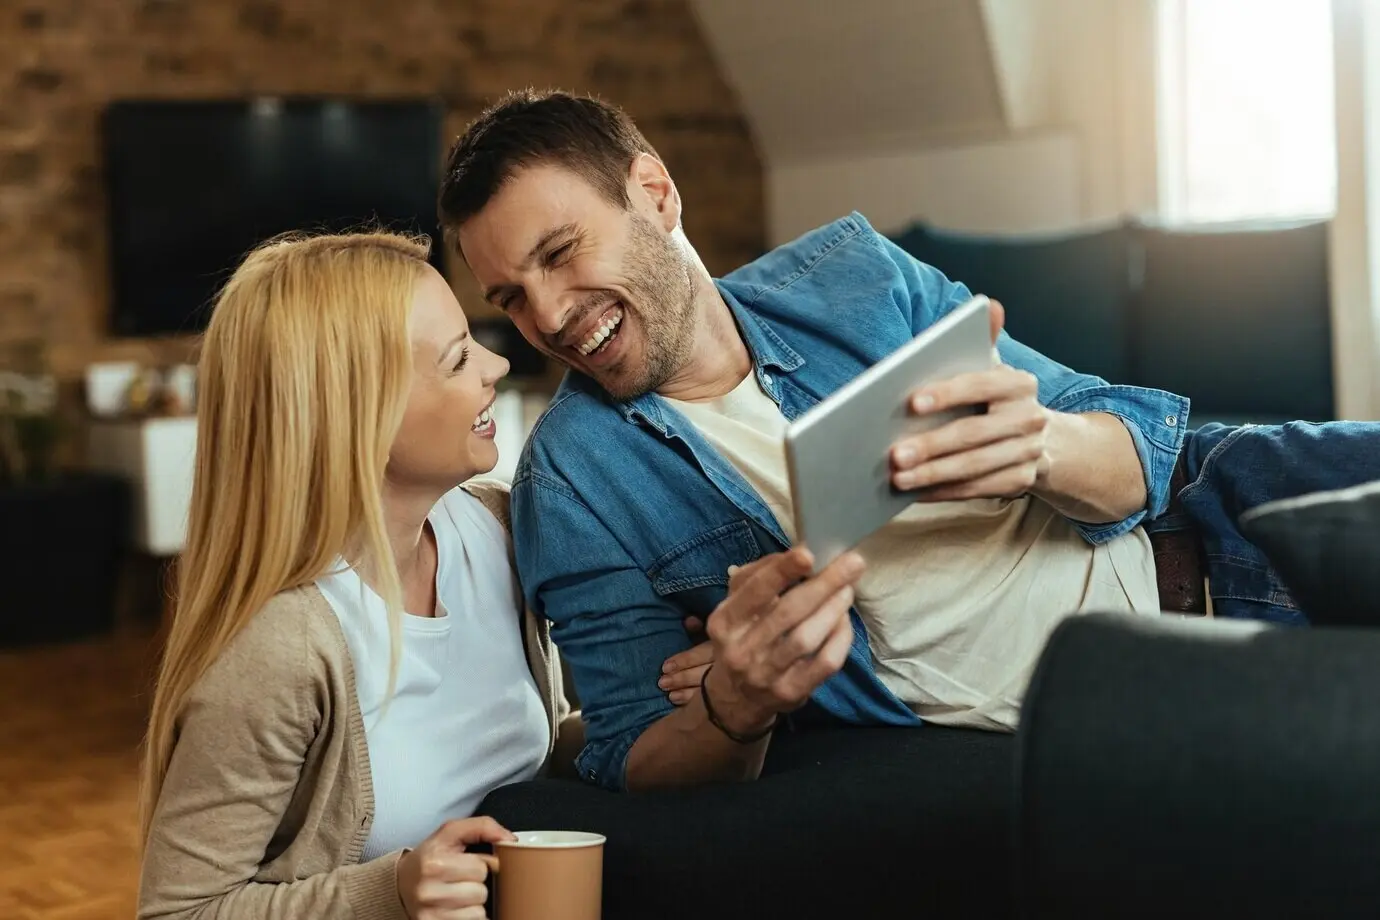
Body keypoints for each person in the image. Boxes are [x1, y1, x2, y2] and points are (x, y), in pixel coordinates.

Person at [436, 89, 1380, 795]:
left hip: (1222, 526)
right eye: (510, 297)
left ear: (655, 194)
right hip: (1125, 708)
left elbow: (1144, 455)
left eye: (560, 254)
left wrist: (1044, 446)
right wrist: (739, 702)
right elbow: (628, 751)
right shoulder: (572, 480)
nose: (547, 318)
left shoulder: (850, 275)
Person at [136, 230, 710, 920]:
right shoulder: (282, 647)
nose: (497, 365)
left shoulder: (500, 530)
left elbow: (525, 758)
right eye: (458, 357)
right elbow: (180, 911)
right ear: (362, 413)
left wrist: (679, 696)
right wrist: (393, 892)